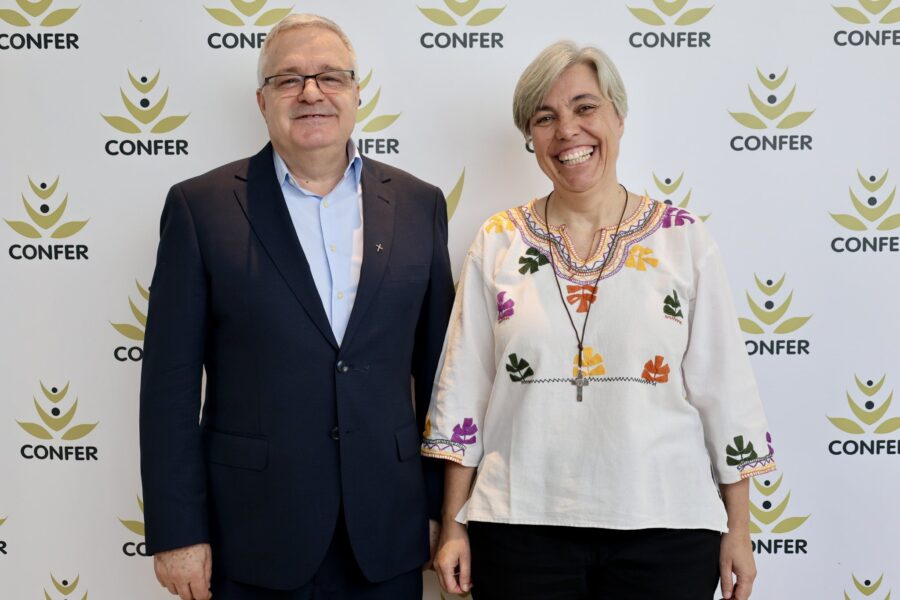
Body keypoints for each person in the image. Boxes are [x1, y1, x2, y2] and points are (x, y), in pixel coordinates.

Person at [425, 40, 774, 600]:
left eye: (585, 108)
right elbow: (464, 391)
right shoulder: (497, 241)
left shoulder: (682, 238)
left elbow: (724, 389)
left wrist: (739, 529)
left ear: (618, 115)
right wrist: (454, 525)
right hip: (520, 527)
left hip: (667, 526)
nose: (568, 130)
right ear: (531, 138)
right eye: (546, 117)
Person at [139, 13, 453, 600]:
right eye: (289, 80)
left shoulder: (419, 204)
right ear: (262, 101)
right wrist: (178, 531)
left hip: (387, 531)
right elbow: (169, 388)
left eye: (330, 76)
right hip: (254, 536)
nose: (311, 92)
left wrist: (444, 511)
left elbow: (441, 378)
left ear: (357, 93)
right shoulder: (199, 209)